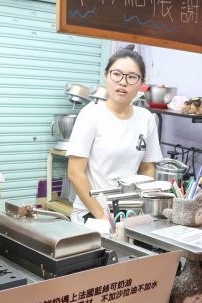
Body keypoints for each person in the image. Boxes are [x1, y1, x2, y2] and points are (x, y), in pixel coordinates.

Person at [66, 45, 163, 224]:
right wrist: (103, 216)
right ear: (106, 75)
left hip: (129, 213)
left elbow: (148, 168)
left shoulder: (146, 118)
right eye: (116, 74)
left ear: (142, 84)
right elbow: (75, 172)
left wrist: (143, 206)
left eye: (132, 77)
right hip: (91, 214)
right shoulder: (91, 115)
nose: (123, 82)